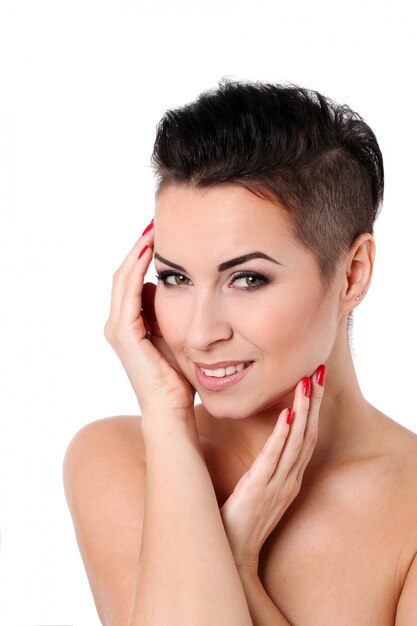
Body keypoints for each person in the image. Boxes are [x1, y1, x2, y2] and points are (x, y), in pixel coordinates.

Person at [62, 78, 417, 625]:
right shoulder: (119, 457)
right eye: (176, 277)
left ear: (352, 274)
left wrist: (237, 565)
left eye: (247, 279)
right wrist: (167, 419)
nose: (199, 334)